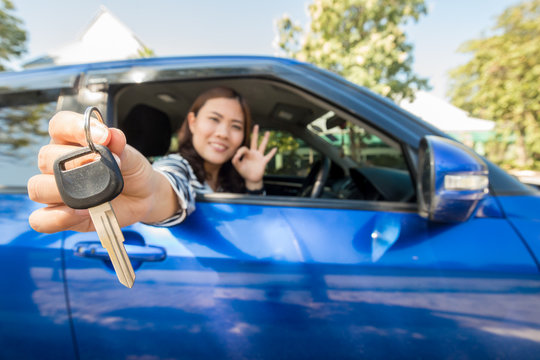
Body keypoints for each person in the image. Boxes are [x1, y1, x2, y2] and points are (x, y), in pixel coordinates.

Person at [27, 87, 277, 233]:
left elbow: (260, 224)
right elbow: (164, 183)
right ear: (192, 122)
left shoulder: (231, 175)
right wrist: (149, 199)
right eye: (214, 119)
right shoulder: (178, 165)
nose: (223, 132)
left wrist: (254, 182)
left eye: (235, 125)